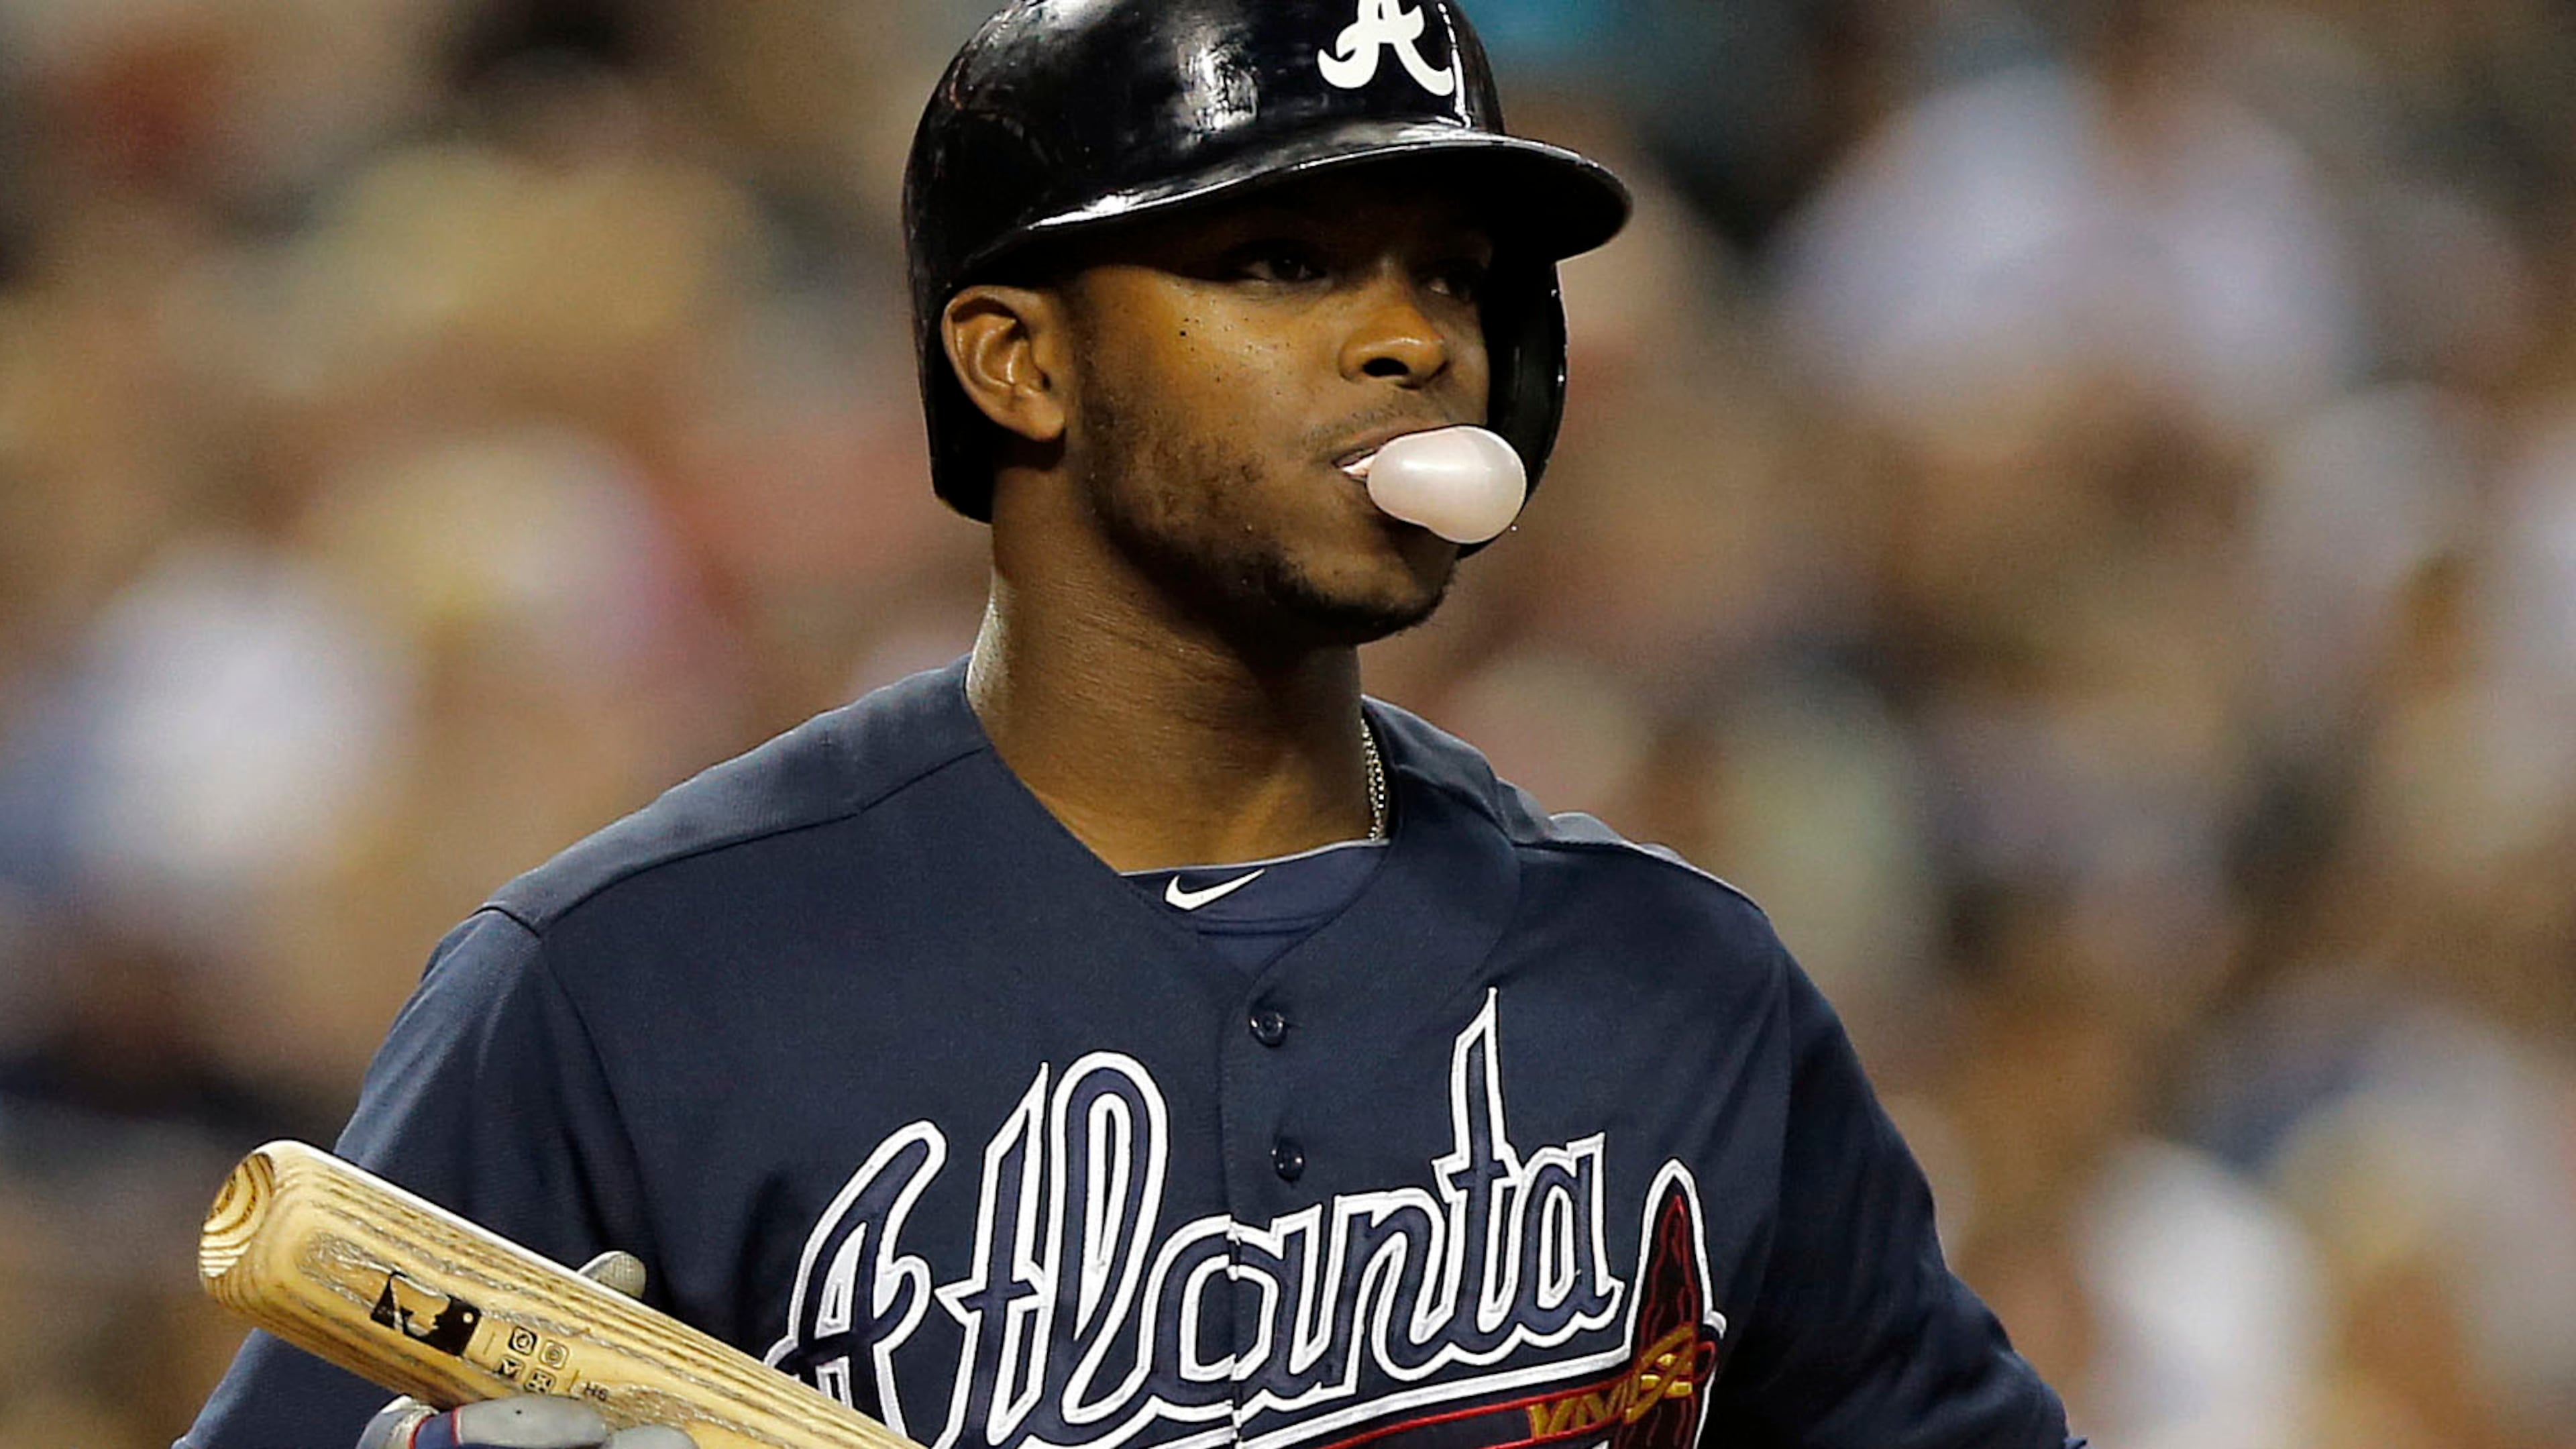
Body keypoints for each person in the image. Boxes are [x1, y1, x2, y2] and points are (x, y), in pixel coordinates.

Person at [180, 2, 2084, 1447]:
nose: (1414, 335)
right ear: (1017, 359)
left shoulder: (1682, 983)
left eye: (1447, 270)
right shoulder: (618, 988)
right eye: (1281, 262)